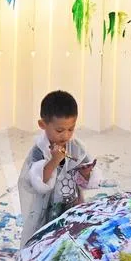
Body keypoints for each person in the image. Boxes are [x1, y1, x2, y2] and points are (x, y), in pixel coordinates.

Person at [18, 90, 101, 247]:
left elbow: (85, 176)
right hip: (48, 209)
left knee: (72, 237)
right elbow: (38, 182)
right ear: (43, 125)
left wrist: (86, 173)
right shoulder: (39, 151)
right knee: (48, 239)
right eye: (59, 130)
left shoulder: (76, 147)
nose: (66, 136)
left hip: (71, 204)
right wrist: (54, 160)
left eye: (71, 129)